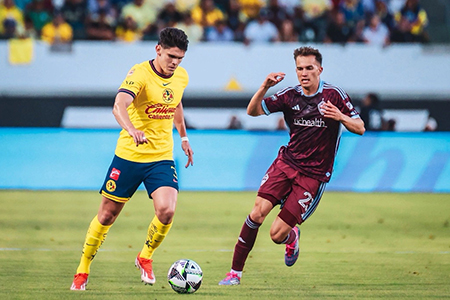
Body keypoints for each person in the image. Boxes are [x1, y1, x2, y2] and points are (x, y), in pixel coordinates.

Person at [218, 46, 365, 286]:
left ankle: (291, 236)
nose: (304, 73)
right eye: (299, 68)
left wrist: (341, 117)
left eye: (309, 68)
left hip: (314, 175)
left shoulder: (334, 95)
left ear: (320, 69)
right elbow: (252, 111)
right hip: (287, 163)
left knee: (276, 235)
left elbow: (360, 127)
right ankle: (235, 273)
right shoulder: (289, 95)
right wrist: (264, 87)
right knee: (256, 213)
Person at [70, 27, 194, 291]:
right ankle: (83, 269)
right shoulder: (139, 73)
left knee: (167, 210)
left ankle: (145, 256)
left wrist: (183, 138)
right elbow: (119, 105)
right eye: (171, 56)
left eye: (180, 58)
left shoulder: (180, 76)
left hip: (160, 156)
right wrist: (131, 129)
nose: (174, 63)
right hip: (129, 155)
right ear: (158, 49)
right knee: (106, 216)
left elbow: (176, 103)